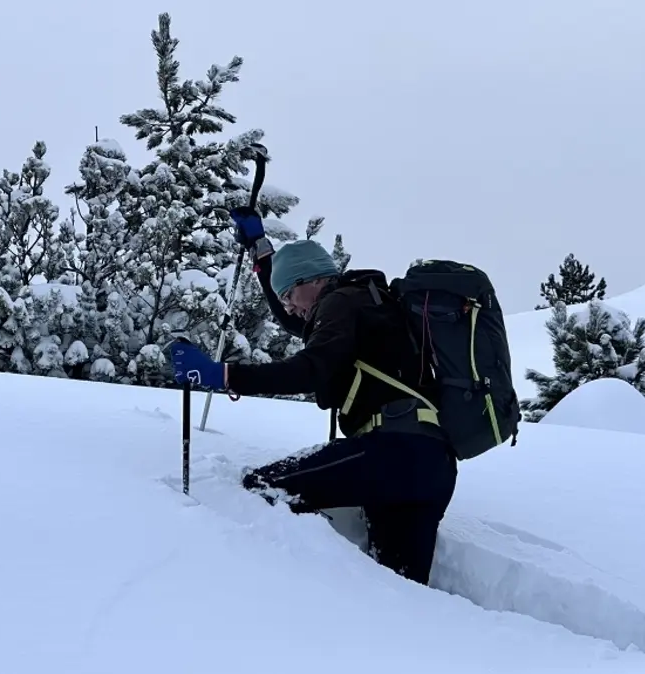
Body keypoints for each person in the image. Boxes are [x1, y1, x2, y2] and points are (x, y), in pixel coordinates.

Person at [168, 206, 457, 586]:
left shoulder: (339, 302)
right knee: (400, 590)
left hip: (391, 450)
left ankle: (304, 600)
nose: (289, 307)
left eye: (290, 295)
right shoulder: (370, 304)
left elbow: (310, 368)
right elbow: (296, 322)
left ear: (314, 280)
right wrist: (260, 250)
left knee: (263, 487)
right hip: (431, 464)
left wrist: (221, 375)